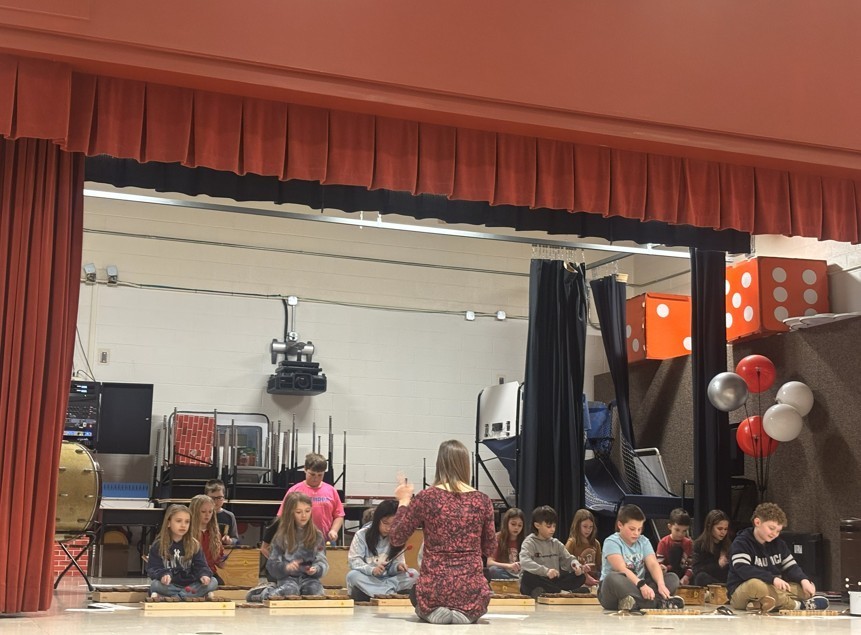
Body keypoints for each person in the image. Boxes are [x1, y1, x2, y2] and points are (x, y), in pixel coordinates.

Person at [388, 439, 496, 625]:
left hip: (434, 588)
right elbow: (489, 547)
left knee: (416, 592)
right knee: (479, 592)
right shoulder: (483, 500)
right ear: (465, 465)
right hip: (470, 589)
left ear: (440, 464)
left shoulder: (426, 497)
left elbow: (396, 537)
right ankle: (466, 613)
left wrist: (404, 500)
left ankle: (435, 611)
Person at [727, 502, 828, 612]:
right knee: (756, 585)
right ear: (757, 522)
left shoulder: (779, 544)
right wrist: (773, 579)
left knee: (803, 588)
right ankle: (797, 606)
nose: (774, 534)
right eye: (771, 528)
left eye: (778, 531)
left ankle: (760, 603)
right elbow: (744, 569)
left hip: (773, 588)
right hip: (742, 591)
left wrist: (804, 580)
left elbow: (791, 567)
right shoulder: (742, 542)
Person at [598, 504, 683, 611]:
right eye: (632, 529)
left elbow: (653, 564)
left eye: (639, 529)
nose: (636, 533)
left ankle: (635, 603)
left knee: (672, 578)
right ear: (620, 525)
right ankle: (658, 603)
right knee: (612, 578)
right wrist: (642, 586)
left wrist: (661, 584)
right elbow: (621, 569)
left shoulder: (643, 541)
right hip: (616, 591)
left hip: (639, 588)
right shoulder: (611, 542)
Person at [248, 492, 329, 601]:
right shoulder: (281, 536)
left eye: (307, 511)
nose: (304, 515)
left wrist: (316, 569)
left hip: (310, 579)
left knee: (313, 591)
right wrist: (286, 567)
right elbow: (272, 564)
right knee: (290, 591)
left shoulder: (317, 535)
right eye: (299, 512)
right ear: (290, 513)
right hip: (288, 579)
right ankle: (262, 593)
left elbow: (322, 560)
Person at [262, 453, 345, 556]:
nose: (316, 478)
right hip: (299, 542)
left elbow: (339, 515)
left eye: (320, 475)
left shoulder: (331, 491)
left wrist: (334, 531)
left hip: (325, 541)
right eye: (312, 474)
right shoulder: (295, 490)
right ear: (305, 469)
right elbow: (282, 516)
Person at [346, 499, 419, 601]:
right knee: (352, 576)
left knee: (414, 574)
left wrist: (398, 566)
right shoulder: (362, 534)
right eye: (385, 523)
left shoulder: (397, 536)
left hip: (389, 579)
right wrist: (372, 570)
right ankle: (391, 593)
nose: (389, 528)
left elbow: (396, 564)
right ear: (377, 519)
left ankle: (374, 592)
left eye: (393, 525)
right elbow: (354, 561)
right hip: (369, 577)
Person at [147, 504, 218, 599]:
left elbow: (201, 566)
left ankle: (178, 597)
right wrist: (163, 574)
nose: (183, 525)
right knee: (155, 585)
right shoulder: (158, 545)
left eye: (187, 522)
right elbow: (153, 568)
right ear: (168, 523)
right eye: (178, 521)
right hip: (170, 585)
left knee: (213, 582)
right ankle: (193, 595)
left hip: (191, 584)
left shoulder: (194, 544)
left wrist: (204, 575)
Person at [519, 506, 586, 598]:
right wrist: (546, 571)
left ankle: (546, 592)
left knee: (581, 577)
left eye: (554, 526)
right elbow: (524, 562)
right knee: (527, 577)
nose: (552, 529)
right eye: (548, 526)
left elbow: (568, 558)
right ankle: (562, 592)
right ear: (537, 525)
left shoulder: (555, 543)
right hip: (539, 579)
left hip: (553, 581)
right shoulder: (529, 542)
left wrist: (575, 565)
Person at [189, 494, 225, 584]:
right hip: (191, 573)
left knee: (219, 583)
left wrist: (222, 561)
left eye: (210, 512)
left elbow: (218, 558)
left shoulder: (215, 533)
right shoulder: (187, 532)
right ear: (194, 512)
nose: (207, 515)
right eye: (203, 511)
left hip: (210, 573)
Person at [691, 509, 731, 586]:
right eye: (719, 529)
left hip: (725, 579)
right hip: (708, 580)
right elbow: (697, 570)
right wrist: (718, 565)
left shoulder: (728, 545)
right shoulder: (699, 545)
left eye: (725, 529)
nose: (723, 532)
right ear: (710, 527)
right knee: (700, 577)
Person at [565, 508, 602, 588]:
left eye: (591, 527)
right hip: (578, 580)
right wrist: (584, 576)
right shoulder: (572, 543)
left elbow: (599, 565)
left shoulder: (596, 544)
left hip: (594, 581)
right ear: (578, 525)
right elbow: (566, 565)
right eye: (585, 526)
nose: (588, 530)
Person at [656, 508, 693, 585]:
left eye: (684, 531)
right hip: (669, 574)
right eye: (677, 530)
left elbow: (691, 565)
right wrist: (664, 569)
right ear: (670, 527)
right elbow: (659, 564)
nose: (680, 534)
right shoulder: (663, 543)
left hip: (684, 575)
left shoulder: (688, 543)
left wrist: (686, 577)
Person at [486, 507, 526, 580]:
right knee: (493, 570)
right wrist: (509, 566)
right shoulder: (497, 538)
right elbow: (489, 563)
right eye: (513, 524)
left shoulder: (525, 541)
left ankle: (517, 582)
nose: (516, 528)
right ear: (506, 523)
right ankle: (516, 582)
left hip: (520, 573)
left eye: (520, 525)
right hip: (504, 571)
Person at [205, 479, 240, 546]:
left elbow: (235, 539)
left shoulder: (229, 516)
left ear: (224, 498)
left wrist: (230, 541)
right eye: (212, 498)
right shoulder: (200, 514)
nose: (215, 501)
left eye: (219, 497)